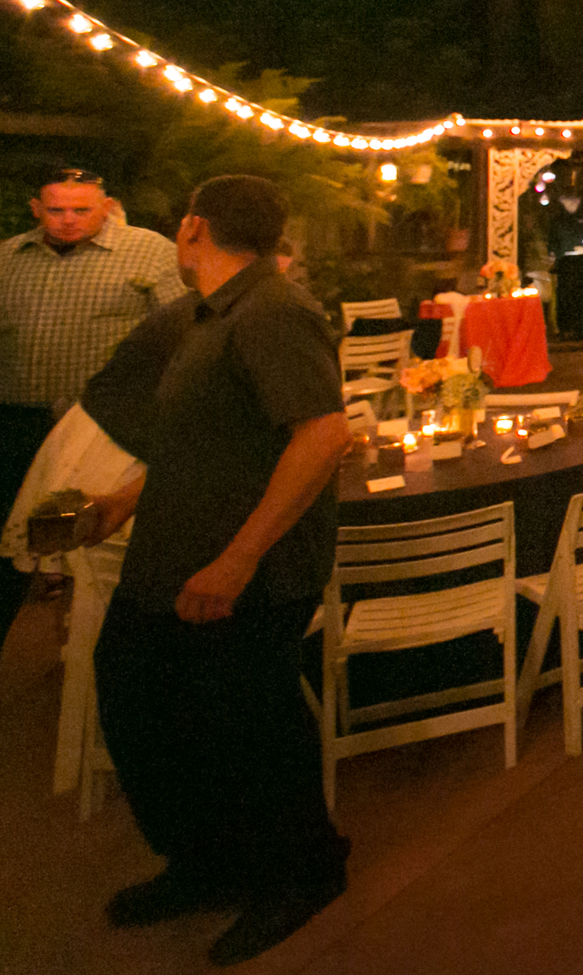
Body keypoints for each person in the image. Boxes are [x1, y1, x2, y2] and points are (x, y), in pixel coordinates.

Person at [87, 175, 354, 964]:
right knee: (147, 702)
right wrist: (126, 500)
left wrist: (239, 559)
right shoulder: (209, 315)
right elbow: (216, 435)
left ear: (193, 227)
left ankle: (303, 870)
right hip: (175, 547)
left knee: (251, 721)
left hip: (248, 566)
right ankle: (208, 862)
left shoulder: (272, 311)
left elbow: (322, 435)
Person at [0, 164, 182, 643]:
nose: (67, 220)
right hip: (18, 420)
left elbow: (184, 334)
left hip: (104, 427)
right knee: (10, 547)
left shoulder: (148, 252)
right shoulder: (9, 258)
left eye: (81, 210)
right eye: (55, 210)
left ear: (106, 206)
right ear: (37, 209)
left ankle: (88, 656)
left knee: (95, 547)